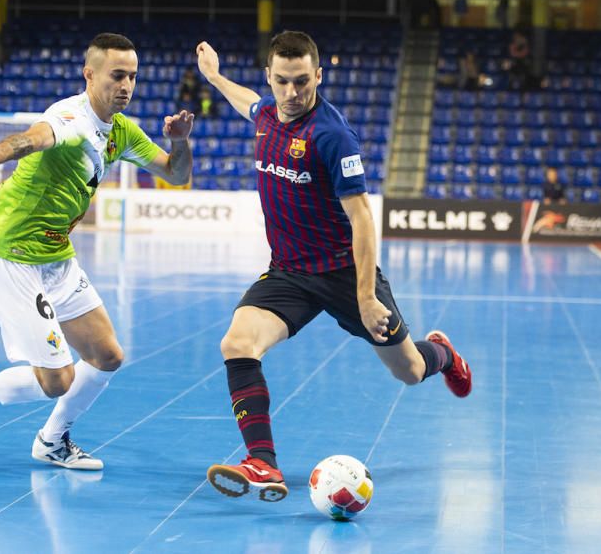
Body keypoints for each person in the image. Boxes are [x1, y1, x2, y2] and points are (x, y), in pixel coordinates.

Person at [195, 31, 473, 502]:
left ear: (318, 76)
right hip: (288, 272)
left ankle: (443, 354)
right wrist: (216, 77)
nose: (292, 93)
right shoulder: (267, 115)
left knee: (407, 370)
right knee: (237, 343)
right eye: (282, 82)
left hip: (345, 273)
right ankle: (262, 462)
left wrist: (366, 297)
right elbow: (249, 103)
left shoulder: (331, 135)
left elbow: (362, 218)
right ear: (270, 77)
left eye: (302, 81)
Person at [0, 33, 194, 470]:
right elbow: (39, 136)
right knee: (57, 380)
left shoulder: (122, 131)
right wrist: (0, 150)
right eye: (117, 75)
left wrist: (181, 141)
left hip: (56, 257)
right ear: (89, 75)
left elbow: (175, 173)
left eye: (132, 76)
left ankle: (52, 441)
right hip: (12, 255)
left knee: (107, 356)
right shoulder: (70, 116)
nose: (127, 86)